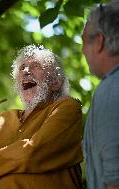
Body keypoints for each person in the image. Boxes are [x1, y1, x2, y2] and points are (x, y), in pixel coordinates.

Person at [0, 45, 83, 189]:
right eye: (22, 67)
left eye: (36, 65)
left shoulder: (67, 107)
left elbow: (33, 153)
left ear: (56, 82)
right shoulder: (2, 120)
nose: (26, 71)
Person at [82, 1, 119, 189]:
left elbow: (115, 179)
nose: (82, 51)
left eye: (84, 41)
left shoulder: (111, 88)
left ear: (99, 42)